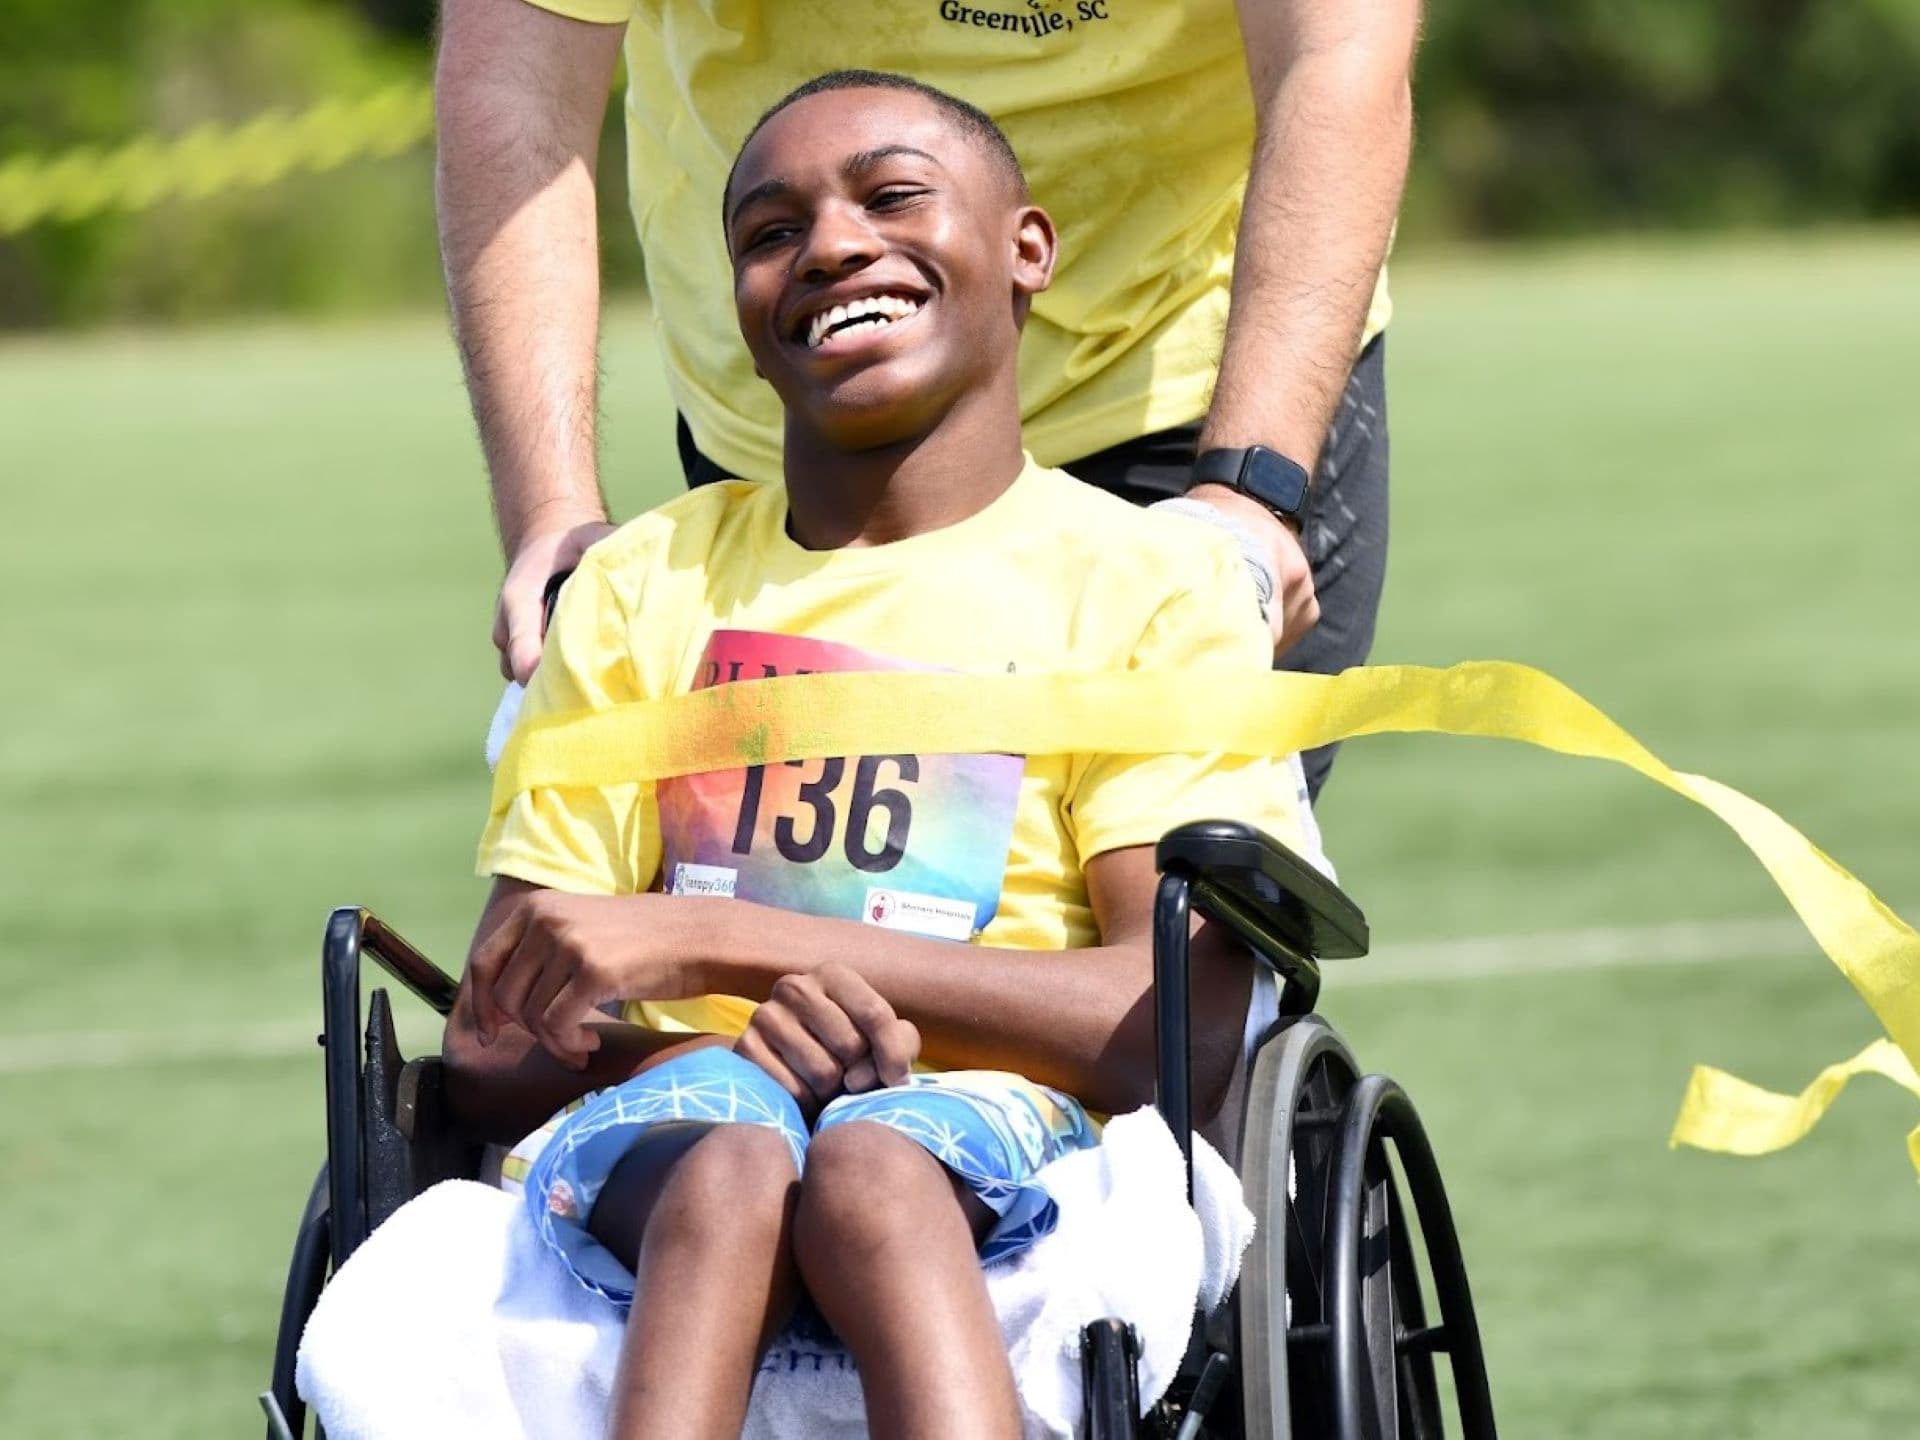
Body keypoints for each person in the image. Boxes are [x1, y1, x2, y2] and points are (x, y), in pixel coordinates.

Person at [444, 74, 1314, 1439]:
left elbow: (1177, 1032)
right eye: (769, 232)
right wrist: (726, 1042)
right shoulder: (641, 590)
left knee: (872, 1172)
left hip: (996, 1122)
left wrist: (732, 951)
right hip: (676, 1128)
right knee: (733, 1156)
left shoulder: (1149, 588)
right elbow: (491, 1055)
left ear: (1028, 250)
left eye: (892, 195)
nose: (832, 246)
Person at [436, 0, 1419, 799]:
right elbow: (515, 91)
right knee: (783, 936)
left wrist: (1250, 486)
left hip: (1191, 405)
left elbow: (1337, 51)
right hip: (813, 427)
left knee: (1157, 940)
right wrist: (553, 514)